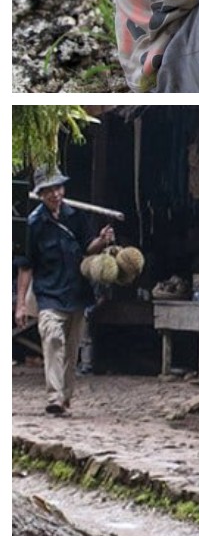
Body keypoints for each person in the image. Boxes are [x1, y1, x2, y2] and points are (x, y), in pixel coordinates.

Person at [13, 167, 116, 416]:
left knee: (72, 349)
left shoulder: (76, 217)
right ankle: (55, 396)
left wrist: (102, 240)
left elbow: (88, 246)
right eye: (48, 190)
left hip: (77, 291)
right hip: (49, 293)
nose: (55, 194)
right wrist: (21, 304)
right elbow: (26, 265)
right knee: (53, 338)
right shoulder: (35, 223)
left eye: (58, 188)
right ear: (40, 194)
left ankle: (65, 397)